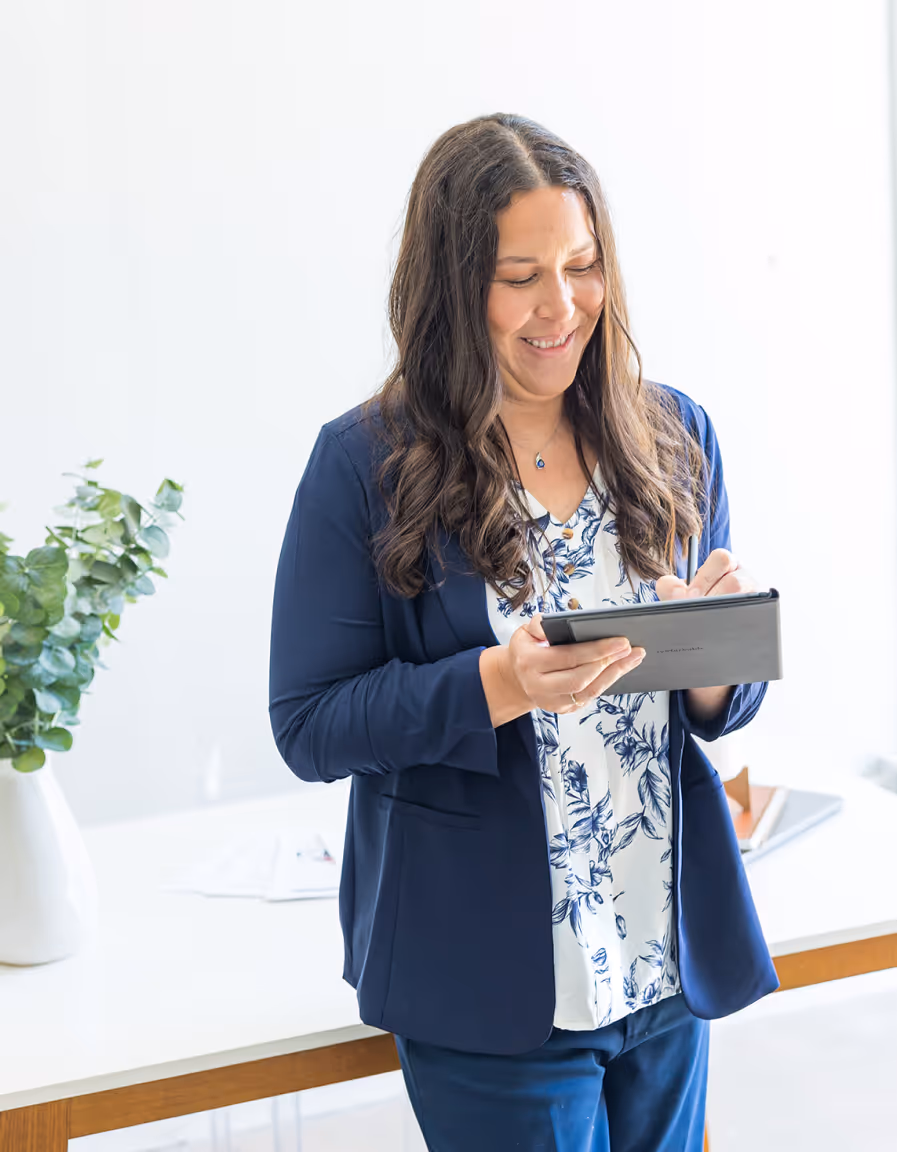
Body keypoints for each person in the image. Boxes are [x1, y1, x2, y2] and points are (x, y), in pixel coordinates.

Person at [268, 112, 779, 1152]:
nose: (563, 306)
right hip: (490, 977)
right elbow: (310, 723)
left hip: (663, 953)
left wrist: (715, 651)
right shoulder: (364, 464)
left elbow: (715, 712)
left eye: (584, 265)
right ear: (455, 288)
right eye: (521, 276)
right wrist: (496, 683)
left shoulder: (673, 434)